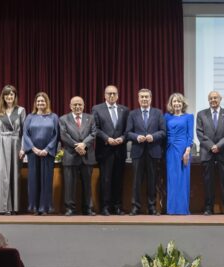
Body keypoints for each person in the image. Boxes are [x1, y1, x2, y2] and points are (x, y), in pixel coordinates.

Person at [125, 89, 166, 216]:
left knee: (152, 181)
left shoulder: (158, 113)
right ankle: (135, 207)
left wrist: (153, 137)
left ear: (151, 98)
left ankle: (152, 207)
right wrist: (137, 137)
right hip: (138, 152)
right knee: (136, 182)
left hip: (153, 152)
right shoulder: (132, 114)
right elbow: (127, 133)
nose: (144, 99)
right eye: (142, 97)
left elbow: (163, 132)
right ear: (138, 99)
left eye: (146, 97)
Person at [196, 91, 224, 215]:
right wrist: (211, 146)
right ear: (208, 100)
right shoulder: (201, 114)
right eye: (211, 98)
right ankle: (208, 207)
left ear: (220, 99)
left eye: (215, 98)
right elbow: (199, 133)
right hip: (207, 152)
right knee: (208, 182)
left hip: (223, 151)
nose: (213, 100)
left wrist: (218, 146)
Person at [92, 85, 129, 215]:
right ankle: (105, 207)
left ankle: (117, 206)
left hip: (120, 150)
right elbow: (95, 128)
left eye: (114, 93)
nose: (112, 96)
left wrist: (123, 138)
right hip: (105, 150)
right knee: (105, 180)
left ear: (118, 95)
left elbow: (128, 129)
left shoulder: (124, 110)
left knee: (118, 179)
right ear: (105, 95)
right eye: (109, 93)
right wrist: (107, 139)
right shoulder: (97, 109)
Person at [59, 96, 97, 216]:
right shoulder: (63, 119)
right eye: (75, 104)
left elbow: (93, 133)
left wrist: (84, 144)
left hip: (87, 156)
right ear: (70, 106)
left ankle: (88, 208)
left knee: (87, 185)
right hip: (70, 156)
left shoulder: (90, 118)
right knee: (69, 184)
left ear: (83, 106)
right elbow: (64, 135)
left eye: (80, 104)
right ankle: (70, 208)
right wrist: (78, 146)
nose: (77, 107)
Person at [22, 92, 58, 215]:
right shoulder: (30, 117)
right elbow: (25, 134)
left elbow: (56, 135)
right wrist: (33, 148)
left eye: (42, 101)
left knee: (46, 180)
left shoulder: (53, 117)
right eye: (38, 101)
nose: (40, 103)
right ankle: (34, 207)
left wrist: (47, 149)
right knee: (33, 180)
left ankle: (45, 207)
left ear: (47, 102)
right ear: (35, 103)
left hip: (47, 154)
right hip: (33, 153)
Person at [0, 85, 26, 215]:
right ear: (3, 96)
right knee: (2, 176)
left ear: (15, 96)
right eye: (7, 94)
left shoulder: (21, 110)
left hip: (15, 143)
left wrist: (23, 148)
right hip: (1, 143)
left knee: (14, 175)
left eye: (11, 94)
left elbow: (24, 132)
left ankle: (14, 207)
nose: (9, 97)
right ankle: (4, 207)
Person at [163, 93, 194, 215]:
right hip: (170, 150)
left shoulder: (189, 117)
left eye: (179, 101)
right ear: (171, 104)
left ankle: (182, 209)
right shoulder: (166, 117)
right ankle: (172, 209)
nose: (177, 103)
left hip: (183, 150)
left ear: (183, 104)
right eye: (174, 101)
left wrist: (187, 151)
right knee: (172, 179)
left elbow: (190, 136)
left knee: (182, 178)